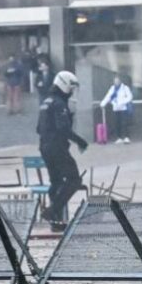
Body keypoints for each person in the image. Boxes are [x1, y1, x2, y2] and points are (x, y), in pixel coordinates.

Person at [37, 71, 88, 232]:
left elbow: (39, 128)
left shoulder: (46, 101)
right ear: (65, 85)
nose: (72, 92)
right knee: (74, 180)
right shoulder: (59, 103)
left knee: (56, 182)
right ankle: (52, 211)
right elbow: (63, 129)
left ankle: (56, 222)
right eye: (71, 88)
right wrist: (81, 141)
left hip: (44, 148)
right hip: (57, 148)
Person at [100, 75, 134, 144]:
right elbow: (108, 96)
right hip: (116, 108)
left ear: (120, 81)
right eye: (115, 81)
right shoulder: (112, 88)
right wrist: (103, 103)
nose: (116, 82)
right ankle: (119, 137)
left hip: (123, 108)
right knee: (117, 123)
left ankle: (126, 137)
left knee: (124, 123)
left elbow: (130, 96)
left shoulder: (125, 88)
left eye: (117, 81)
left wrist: (123, 102)